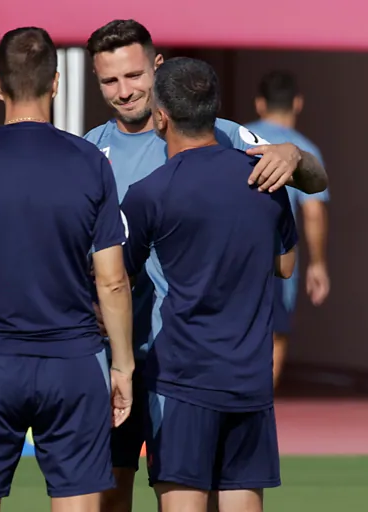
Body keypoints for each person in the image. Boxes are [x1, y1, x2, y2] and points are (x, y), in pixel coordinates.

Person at [81, 19, 327, 512]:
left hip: (189, 364)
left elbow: (316, 183)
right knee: (110, 495)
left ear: (158, 67)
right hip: (119, 358)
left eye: (133, 76)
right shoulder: (89, 151)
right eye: (109, 81)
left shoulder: (229, 135)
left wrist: (294, 155)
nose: (124, 92)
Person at [0, 27, 136, 512]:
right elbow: (113, 279)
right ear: (55, 83)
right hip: (74, 363)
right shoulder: (90, 162)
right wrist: (122, 363)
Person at [121, 56, 296, 512]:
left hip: (182, 380)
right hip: (250, 381)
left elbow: (115, 280)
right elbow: (288, 263)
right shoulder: (265, 180)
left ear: (161, 116)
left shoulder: (149, 193)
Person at [245, 70, 331, 386]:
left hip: (234, 254)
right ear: (298, 103)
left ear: (259, 103)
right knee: (275, 335)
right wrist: (319, 265)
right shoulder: (304, 150)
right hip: (275, 261)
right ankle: (259, 405)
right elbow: (312, 212)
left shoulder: (238, 139)